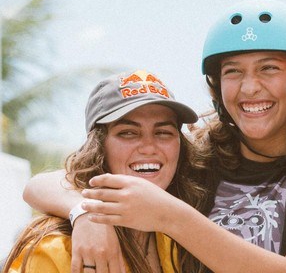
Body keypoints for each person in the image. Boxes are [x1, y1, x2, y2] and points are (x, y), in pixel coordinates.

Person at [24, 0, 286, 273]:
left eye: (269, 67)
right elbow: (42, 185)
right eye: (233, 72)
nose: (250, 87)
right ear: (216, 88)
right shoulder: (198, 159)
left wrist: (170, 215)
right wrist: (84, 213)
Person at [3, 70, 205, 273]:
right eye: (128, 133)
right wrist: (86, 213)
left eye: (163, 132)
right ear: (99, 147)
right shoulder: (55, 248)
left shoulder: (183, 239)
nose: (149, 147)